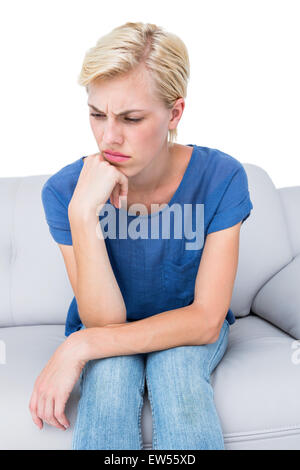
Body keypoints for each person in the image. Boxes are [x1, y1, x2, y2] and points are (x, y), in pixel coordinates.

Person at [29, 21, 253, 450]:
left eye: (131, 118)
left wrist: (79, 347)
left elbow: (206, 320)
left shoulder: (222, 177)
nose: (108, 137)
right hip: (106, 326)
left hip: (187, 328)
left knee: (178, 373)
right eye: (97, 114)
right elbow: (104, 323)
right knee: (110, 379)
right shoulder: (64, 191)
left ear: (174, 113)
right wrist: (82, 215)